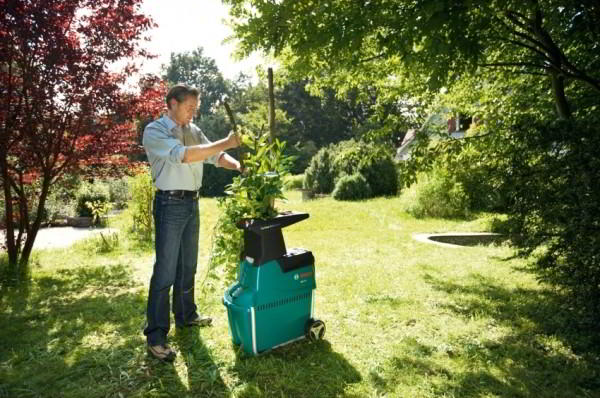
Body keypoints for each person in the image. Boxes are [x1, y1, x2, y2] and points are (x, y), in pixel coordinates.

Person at [142, 84, 241, 361]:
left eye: (195, 108)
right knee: (165, 272)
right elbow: (185, 155)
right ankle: (157, 335)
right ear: (172, 103)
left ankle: (187, 316)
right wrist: (227, 141)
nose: (193, 113)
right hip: (169, 204)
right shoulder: (155, 131)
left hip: (191, 203)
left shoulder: (193, 130)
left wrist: (239, 165)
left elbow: (214, 155)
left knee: (188, 266)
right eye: (189, 108)